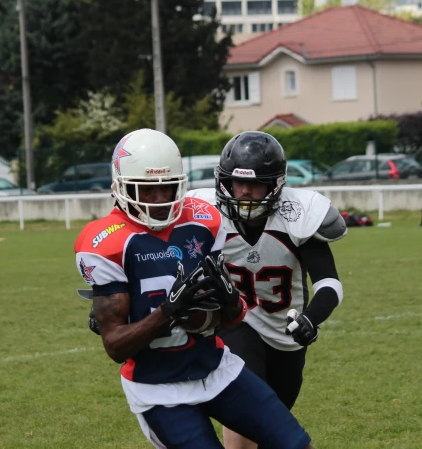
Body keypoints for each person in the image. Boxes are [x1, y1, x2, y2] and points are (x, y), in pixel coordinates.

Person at [74, 129, 314, 449]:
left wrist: (229, 302)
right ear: (122, 186)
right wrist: (169, 311)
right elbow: (116, 347)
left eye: (168, 187)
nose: (160, 200)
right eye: (147, 190)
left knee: (297, 445)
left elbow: (229, 318)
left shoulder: (204, 220)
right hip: (158, 389)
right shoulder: (104, 242)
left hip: (217, 369)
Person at [186, 131, 347, 449]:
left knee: (271, 430)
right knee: (246, 408)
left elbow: (329, 283)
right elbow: (167, 263)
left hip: (286, 336)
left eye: (255, 183)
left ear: (275, 184)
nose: (244, 191)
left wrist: (311, 319)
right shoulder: (206, 215)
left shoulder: (298, 215)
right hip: (235, 322)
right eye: (237, 182)